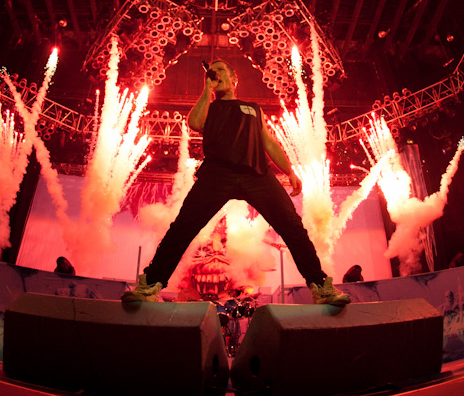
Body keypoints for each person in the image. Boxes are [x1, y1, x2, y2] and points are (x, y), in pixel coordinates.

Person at [121, 60, 350, 306]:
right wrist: (207, 90)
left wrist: (289, 171)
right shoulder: (210, 107)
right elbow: (195, 123)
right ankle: (150, 285)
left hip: (257, 175)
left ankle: (320, 286)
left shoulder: (253, 108)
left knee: (293, 227)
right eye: (213, 70)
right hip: (217, 174)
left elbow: (269, 142)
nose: (215, 73)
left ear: (233, 79)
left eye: (221, 69)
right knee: (182, 228)